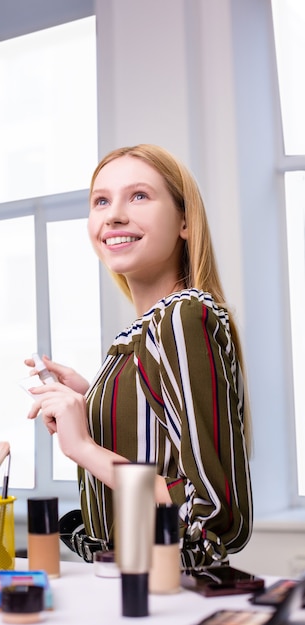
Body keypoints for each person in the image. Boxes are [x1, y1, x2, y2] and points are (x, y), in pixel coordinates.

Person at [25, 144, 252, 567]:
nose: (113, 215)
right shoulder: (146, 331)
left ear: (185, 221)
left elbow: (209, 512)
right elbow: (160, 445)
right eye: (101, 200)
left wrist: (84, 447)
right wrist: (96, 399)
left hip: (165, 594)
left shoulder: (184, 316)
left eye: (140, 196)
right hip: (129, 587)